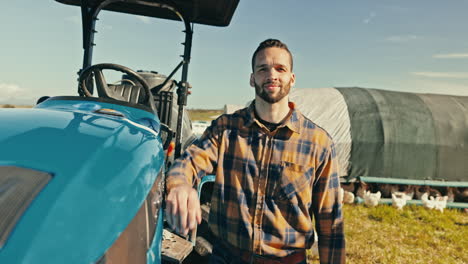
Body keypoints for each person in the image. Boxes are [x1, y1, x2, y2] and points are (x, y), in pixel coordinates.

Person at [165, 39, 345, 264]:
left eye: (281, 68)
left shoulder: (318, 142)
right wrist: (181, 185)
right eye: (263, 69)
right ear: (252, 78)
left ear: (292, 78)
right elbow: (190, 161)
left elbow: (331, 224)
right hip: (226, 256)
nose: (272, 75)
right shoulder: (226, 129)